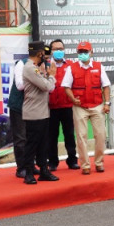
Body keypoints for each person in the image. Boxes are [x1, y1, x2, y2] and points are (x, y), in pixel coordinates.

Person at [63, 40, 110, 174]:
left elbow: (106, 86)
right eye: (80, 52)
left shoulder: (99, 66)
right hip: (80, 107)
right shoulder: (71, 68)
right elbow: (66, 87)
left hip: (97, 105)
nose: (83, 54)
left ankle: (99, 162)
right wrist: (72, 98)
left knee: (100, 135)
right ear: (77, 53)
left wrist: (107, 103)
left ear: (91, 52)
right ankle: (85, 165)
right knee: (81, 136)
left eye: (85, 52)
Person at [20, 40, 59, 185]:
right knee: (32, 145)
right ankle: (28, 173)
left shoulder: (36, 67)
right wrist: (52, 75)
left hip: (42, 112)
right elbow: (47, 87)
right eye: (44, 52)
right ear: (40, 53)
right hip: (34, 113)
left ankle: (44, 170)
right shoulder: (30, 68)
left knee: (43, 144)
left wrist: (45, 75)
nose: (45, 55)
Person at [45, 39, 78, 171]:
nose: (58, 51)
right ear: (51, 51)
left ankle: (72, 160)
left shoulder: (71, 65)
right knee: (51, 136)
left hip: (67, 106)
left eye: (61, 49)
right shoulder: (46, 65)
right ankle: (52, 162)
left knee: (69, 134)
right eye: (55, 49)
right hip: (50, 106)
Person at [8, 56, 28, 178]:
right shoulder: (22, 63)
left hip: (34, 107)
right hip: (19, 106)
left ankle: (30, 165)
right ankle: (21, 168)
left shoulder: (45, 65)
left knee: (32, 138)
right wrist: (36, 78)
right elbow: (20, 85)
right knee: (21, 138)